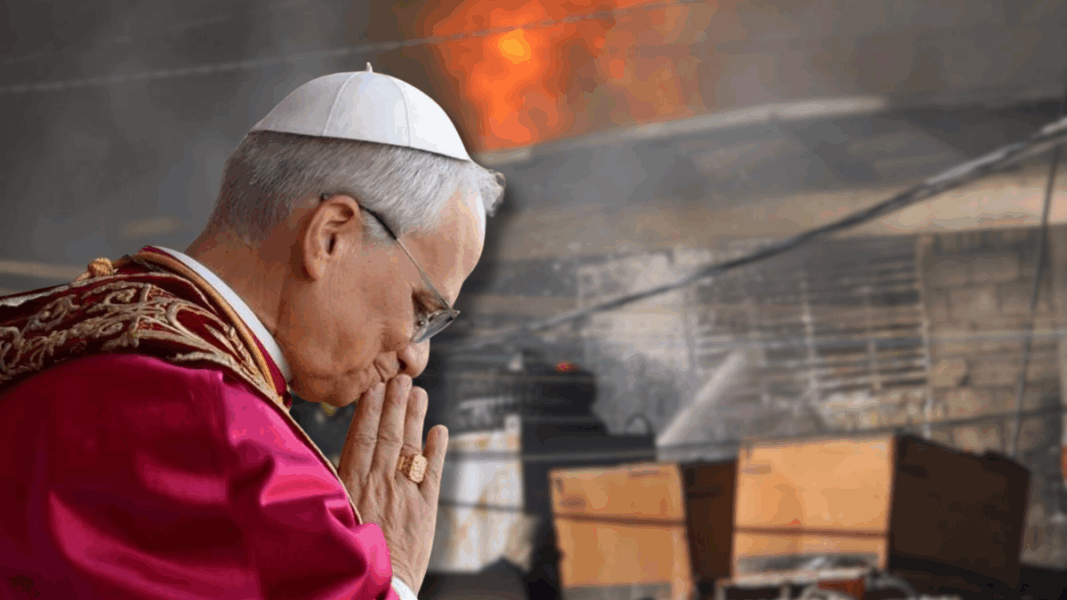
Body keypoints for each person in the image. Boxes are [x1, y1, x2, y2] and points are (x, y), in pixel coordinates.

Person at [0, 66, 505, 600]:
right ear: (331, 235)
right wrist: (391, 578)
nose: (414, 356)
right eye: (422, 308)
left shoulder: (60, 319)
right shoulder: (232, 437)